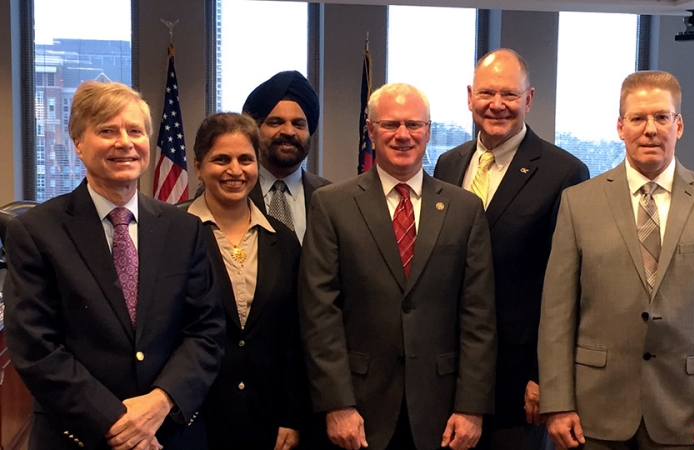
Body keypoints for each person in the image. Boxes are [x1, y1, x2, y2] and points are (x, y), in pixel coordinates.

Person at [3, 81, 225, 450]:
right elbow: (35, 347)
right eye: (107, 130)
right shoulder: (35, 231)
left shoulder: (184, 228)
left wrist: (160, 403)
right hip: (77, 435)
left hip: (170, 432)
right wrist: (119, 423)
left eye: (135, 130)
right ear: (78, 142)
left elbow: (206, 331)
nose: (124, 142)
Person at [538, 70, 694, 450]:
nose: (650, 129)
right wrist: (557, 404)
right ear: (621, 127)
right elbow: (556, 314)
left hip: (686, 414)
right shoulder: (579, 202)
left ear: (679, 125)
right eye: (638, 118)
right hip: (593, 413)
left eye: (661, 117)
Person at [299, 83, 497, 450]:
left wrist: (472, 407)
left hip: (443, 410)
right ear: (371, 130)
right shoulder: (332, 206)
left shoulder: (465, 209)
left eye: (413, 124)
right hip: (359, 407)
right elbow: (319, 313)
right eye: (390, 124)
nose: (402, 135)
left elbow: (478, 317)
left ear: (428, 131)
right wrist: (337, 403)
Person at [434, 48, 589, 450]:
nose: (497, 106)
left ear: (529, 99)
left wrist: (546, 379)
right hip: (449, 373)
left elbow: (565, 287)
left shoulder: (565, 172)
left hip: (520, 383)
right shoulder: (448, 165)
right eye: (487, 94)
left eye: (510, 95)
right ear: (470, 97)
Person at [187, 112, 307, 450]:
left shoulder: (283, 239)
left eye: (245, 159)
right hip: (195, 417)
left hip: (268, 418)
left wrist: (292, 414)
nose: (235, 170)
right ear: (198, 166)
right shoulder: (173, 233)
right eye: (221, 159)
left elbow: (295, 335)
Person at [243, 70, 331, 243]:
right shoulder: (232, 190)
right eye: (275, 122)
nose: (289, 132)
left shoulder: (331, 197)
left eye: (299, 124)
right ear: (256, 130)